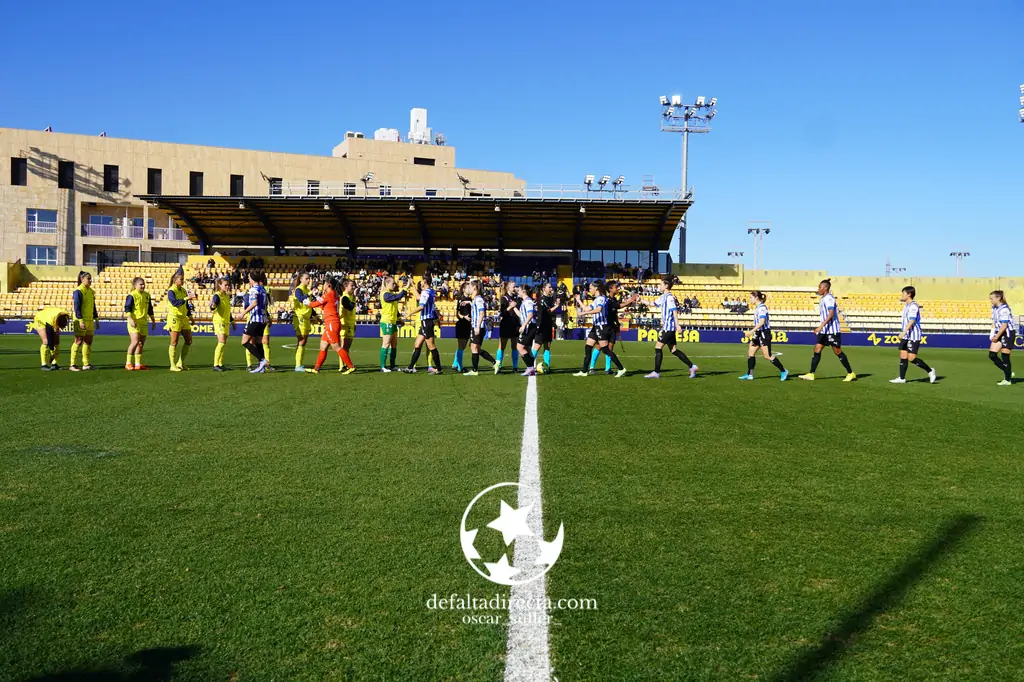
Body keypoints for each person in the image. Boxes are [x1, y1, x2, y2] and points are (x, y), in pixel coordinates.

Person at [799, 279, 856, 382]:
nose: (818, 289)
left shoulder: (829, 298)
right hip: (824, 331)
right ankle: (811, 374)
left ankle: (850, 373)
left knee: (837, 351)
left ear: (825, 288)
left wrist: (820, 326)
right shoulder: (823, 298)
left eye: (820, 287)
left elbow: (831, 314)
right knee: (817, 349)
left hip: (831, 331)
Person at [644, 276, 698, 379]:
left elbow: (674, 311)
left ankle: (656, 372)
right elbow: (652, 304)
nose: (659, 286)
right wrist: (640, 300)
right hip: (668, 327)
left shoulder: (669, 297)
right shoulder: (663, 297)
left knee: (658, 347)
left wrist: (677, 325)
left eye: (661, 284)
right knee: (673, 350)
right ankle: (692, 366)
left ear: (666, 286)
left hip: (669, 328)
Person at [572, 280, 627, 378]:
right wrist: (579, 300)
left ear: (596, 288)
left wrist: (583, 314)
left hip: (601, 327)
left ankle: (621, 368)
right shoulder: (597, 299)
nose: (590, 290)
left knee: (605, 350)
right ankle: (584, 371)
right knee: (588, 347)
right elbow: (587, 308)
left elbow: (598, 309)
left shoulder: (601, 298)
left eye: (591, 288)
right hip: (596, 326)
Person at [887, 286, 936, 384]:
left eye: (903, 293)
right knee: (903, 355)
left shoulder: (913, 306)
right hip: (906, 335)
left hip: (913, 335)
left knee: (911, 358)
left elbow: (912, 320)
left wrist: (904, 331)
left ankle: (930, 371)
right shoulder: (906, 306)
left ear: (909, 294)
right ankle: (902, 378)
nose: (902, 295)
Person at [589, 280, 639, 375]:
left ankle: (608, 369)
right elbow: (618, 306)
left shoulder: (614, 299)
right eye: (616, 287)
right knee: (599, 346)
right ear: (610, 289)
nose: (618, 289)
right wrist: (630, 300)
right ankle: (591, 367)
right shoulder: (606, 299)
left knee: (610, 347)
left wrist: (617, 323)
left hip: (612, 326)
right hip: (605, 326)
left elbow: (615, 310)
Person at [305, 278, 351, 374]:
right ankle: (316, 368)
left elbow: (315, 305)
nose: (323, 285)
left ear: (329, 285)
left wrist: (308, 303)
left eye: (324, 284)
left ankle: (351, 366)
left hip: (331, 323)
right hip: (332, 323)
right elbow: (323, 306)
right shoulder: (334, 294)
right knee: (323, 346)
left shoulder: (329, 294)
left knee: (336, 347)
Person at [738, 291, 787, 381]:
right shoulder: (758, 308)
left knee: (767, 356)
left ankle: (783, 371)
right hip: (758, 333)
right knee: (751, 352)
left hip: (764, 333)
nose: (750, 300)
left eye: (751, 297)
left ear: (756, 297)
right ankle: (750, 374)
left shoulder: (762, 308)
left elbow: (762, 322)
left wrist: (751, 331)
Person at [401, 273, 444, 374]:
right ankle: (410, 367)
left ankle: (439, 369)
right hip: (426, 322)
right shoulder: (431, 291)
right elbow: (418, 297)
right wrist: (412, 286)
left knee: (431, 346)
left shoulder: (426, 292)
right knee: (417, 344)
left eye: (421, 280)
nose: (420, 282)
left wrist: (408, 314)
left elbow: (421, 306)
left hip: (427, 322)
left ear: (424, 281)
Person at [166, 268, 197, 372]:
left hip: (183, 318)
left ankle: (181, 363)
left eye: (183, 279)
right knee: (174, 342)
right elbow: (175, 303)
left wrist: (190, 317)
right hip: (174, 317)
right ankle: (172, 365)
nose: (183, 281)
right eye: (181, 279)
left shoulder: (183, 290)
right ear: (175, 280)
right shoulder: (171, 291)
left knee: (189, 340)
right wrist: (186, 298)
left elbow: (186, 306)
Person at [240, 271, 270, 374]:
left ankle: (262, 360)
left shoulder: (253, 289)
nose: (248, 279)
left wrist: (243, 312)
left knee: (244, 342)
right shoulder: (263, 289)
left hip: (255, 319)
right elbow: (266, 304)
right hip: (263, 319)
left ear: (252, 279)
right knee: (258, 343)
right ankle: (261, 367)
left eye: (249, 278)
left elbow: (254, 303)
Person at [465, 280, 496, 376]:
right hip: (476, 326)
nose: (468, 288)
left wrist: (477, 326)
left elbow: (482, 313)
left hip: (478, 326)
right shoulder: (476, 299)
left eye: (470, 286)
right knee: (475, 348)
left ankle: (475, 370)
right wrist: (469, 303)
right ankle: (495, 363)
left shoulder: (478, 299)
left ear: (474, 287)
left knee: (474, 348)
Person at [124, 276, 155, 371]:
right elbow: (127, 308)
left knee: (140, 344)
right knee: (135, 342)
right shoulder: (132, 295)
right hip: (134, 322)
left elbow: (150, 309)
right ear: (135, 285)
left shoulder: (147, 295)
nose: (143, 286)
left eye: (143, 284)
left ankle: (138, 364)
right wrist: (130, 319)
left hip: (144, 322)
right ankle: (128, 363)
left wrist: (153, 320)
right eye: (140, 284)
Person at [69, 271, 98, 371]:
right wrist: (80, 320)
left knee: (88, 341)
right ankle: (72, 364)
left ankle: (86, 364)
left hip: (89, 319)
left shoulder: (91, 291)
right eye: (88, 278)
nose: (90, 280)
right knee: (78, 340)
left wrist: (96, 319)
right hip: (80, 319)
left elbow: (93, 306)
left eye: (90, 278)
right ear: (82, 279)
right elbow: (77, 307)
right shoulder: (78, 291)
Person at [379, 275, 407, 372]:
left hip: (393, 321)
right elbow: (398, 296)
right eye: (393, 283)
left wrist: (400, 319)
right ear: (387, 284)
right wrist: (405, 288)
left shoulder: (390, 294)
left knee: (394, 344)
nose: (394, 285)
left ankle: (392, 365)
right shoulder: (385, 294)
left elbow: (395, 310)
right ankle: (382, 366)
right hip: (387, 321)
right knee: (386, 343)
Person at [988, 289, 1015, 386]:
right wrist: (992, 332)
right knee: (992, 355)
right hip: (999, 332)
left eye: (992, 299)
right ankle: (1008, 371)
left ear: (998, 298)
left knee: (1005, 356)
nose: (990, 301)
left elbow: (1004, 325)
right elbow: (994, 322)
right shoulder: (994, 308)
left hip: (1007, 333)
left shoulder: (1004, 309)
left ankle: (1007, 380)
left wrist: (996, 336)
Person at [30, 306, 70, 370]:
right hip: (40, 319)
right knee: (46, 341)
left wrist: (56, 328)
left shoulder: (66, 313)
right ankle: (44, 365)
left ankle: (54, 364)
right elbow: (50, 337)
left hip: (52, 317)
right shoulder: (50, 320)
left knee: (57, 342)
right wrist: (52, 352)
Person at [532, 281, 559, 373]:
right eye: (549, 287)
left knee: (547, 346)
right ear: (544, 289)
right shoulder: (542, 299)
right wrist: (557, 305)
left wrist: (552, 323)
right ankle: (529, 365)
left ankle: (547, 366)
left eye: (551, 287)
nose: (551, 289)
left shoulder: (549, 298)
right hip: (541, 326)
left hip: (547, 325)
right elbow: (548, 311)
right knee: (537, 346)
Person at [290, 272, 314, 372]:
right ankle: (298, 365)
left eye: (309, 278)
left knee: (303, 341)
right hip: (300, 317)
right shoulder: (298, 289)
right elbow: (300, 299)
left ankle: (299, 364)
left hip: (306, 317)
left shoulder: (307, 290)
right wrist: (309, 294)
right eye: (306, 278)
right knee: (302, 341)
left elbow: (309, 305)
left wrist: (316, 316)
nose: (308, 280)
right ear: (301, 279)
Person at [210, 277, 235, 371]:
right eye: (225, 285)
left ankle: (220, 364)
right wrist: (212, 306)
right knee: (221, 342)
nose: (227, 286)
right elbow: (213, 306)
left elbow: (228, 310)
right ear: (220, 285)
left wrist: (232, 321)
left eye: (228, 285)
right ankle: (215, 364)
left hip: (226, 321)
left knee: (223, 343)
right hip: (219, 321)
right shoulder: (217, 295)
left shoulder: (226, 296)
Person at [495, 281, 521, 373]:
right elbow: (503, 313)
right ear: (508, 288)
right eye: (513, 286)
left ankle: (515, 367)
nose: (515, 288)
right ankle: (498, 366)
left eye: (515, 286)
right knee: (502, 346)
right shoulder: (504, 298)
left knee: (515, 346)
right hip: (506, 324)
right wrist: (510, 307)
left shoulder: (517, 298)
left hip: (515, 324)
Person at [516, 284, 539, 376]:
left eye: (519, 290)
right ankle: (531, 368)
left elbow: (530, 314)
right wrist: (513, 307)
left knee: (520, 347)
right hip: (528, 326)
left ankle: (530, 367)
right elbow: (522, 315)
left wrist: (524, 326)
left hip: (529, 327)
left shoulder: (528, 301)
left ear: (523, 291)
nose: (518, 292)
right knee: (527, 349)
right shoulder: (524, 302)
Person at [337, 278, 357, 374]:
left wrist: (354, 323)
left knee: (346, 348)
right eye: (351, 285)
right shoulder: (344, 297)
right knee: (344, 347)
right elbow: (350, 308)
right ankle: (343, 366)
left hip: (350, 324)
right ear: (345, 287)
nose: (353, 287)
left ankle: (344, 365)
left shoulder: (349, 297)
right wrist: (355, 297)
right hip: (345, 325)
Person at [452, 284, 473, 372]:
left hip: (468, 325)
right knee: (461, 346)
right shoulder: (461, 299)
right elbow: (457, 314)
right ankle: (460, 367)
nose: (470, 289)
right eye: (468, 287)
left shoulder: (470, 299)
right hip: (462, 324)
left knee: (463, 346)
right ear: (464, 289)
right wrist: (464, 317)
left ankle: (455, 364)